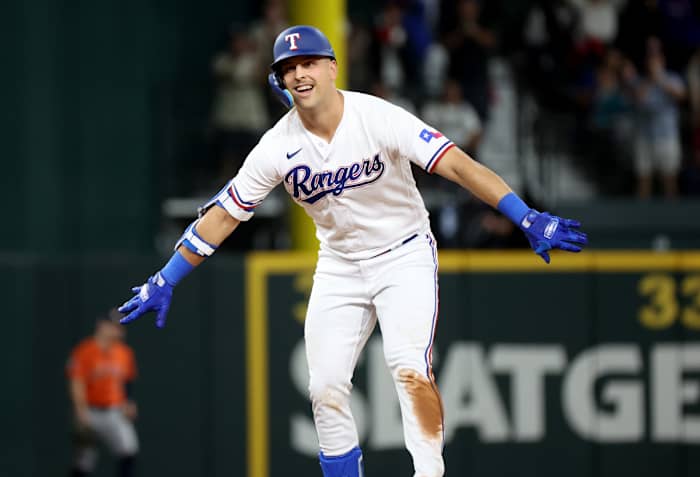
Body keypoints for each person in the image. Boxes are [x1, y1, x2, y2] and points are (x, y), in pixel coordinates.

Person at [118, 25, 587, 477]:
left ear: (332, 68)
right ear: (278, 81)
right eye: (288, 67)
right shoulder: (275, 148)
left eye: (309, 63)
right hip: (340, 265)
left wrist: (524, 215)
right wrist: (167, 276)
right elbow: (223, 216)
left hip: (403, 254)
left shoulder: (377, 117)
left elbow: (459, 166)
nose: (300, 74)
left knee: (408, 366)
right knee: (323, 387)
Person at [66, 310, 138, 477]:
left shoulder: (124, 352)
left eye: (120, 327)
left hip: (115, 411)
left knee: (129, 451)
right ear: (102, 326)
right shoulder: (85, 351)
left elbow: (127, 381)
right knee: (84, 462)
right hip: (91, 411)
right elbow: (77, 382)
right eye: (114, 326)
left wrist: (129, 402)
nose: (118, 330)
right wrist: (80, 410)